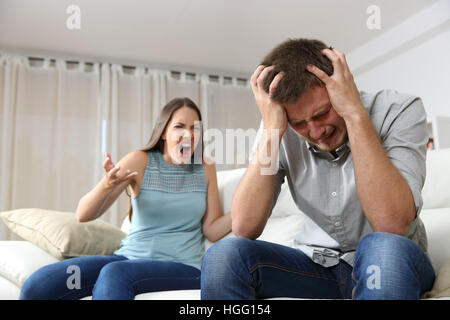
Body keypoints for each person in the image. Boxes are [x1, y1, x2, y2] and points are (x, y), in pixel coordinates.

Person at [200, 38, 435, 300]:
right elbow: (244, 226)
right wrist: (271, 132)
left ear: (342, 86)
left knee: (383, 248)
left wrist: (354, 114)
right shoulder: (278, 127)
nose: (316, 132)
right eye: (299, 123)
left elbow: (390, 225)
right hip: (317, 270)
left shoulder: (399, 110)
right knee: (224, 255)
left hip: (389, 263)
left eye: (322, 113)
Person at [20, 97, 231, 300]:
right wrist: (107, 185)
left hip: (184, 267)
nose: (189, 134)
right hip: (128, 259)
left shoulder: (205, 167)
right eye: (180, 126)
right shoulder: (141, 160)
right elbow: (83, 214)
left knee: (116, 274)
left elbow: (211, 228)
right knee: (38, 285)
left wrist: (247, 210)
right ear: (164, 132)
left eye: (195, 128)